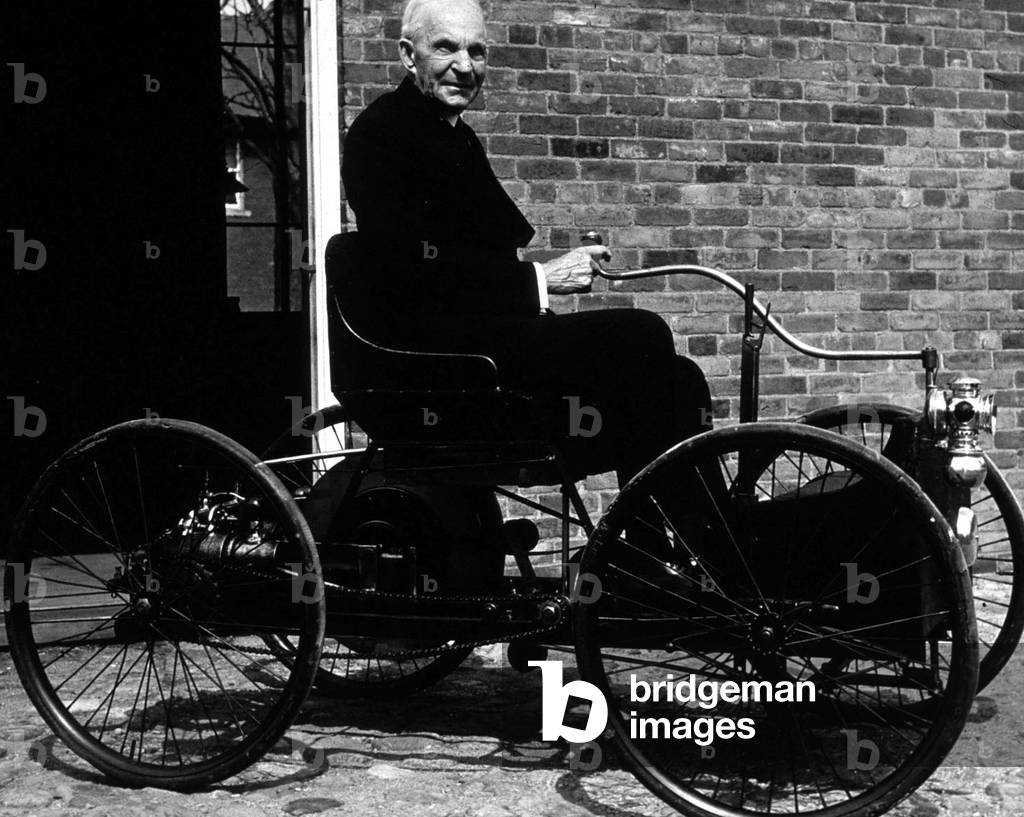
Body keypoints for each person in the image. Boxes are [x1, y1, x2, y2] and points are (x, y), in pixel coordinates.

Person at [341, 0, 712, 485]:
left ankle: (682, 528)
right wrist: (542, 278)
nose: (465, 67)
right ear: (409, 56)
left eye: (477, 51)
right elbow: (413, 274)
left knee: (679, 382)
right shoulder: (383, 134)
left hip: (483, 348)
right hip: (442, 369)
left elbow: (471, 259)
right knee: (641, 333)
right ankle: (661, 528)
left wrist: (535, 282)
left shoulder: (454, 136)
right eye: (446, 48)